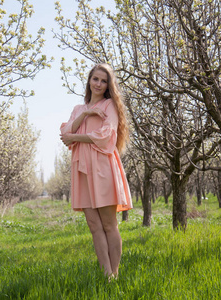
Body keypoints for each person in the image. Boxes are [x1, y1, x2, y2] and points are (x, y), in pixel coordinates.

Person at [60, 63, 132, 280]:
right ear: (89, 81)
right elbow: (65, 133)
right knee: (94, 225)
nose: (99, 84)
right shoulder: (77, 109)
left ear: (108, 85)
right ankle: (106, 275)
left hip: (102, 168)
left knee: (109, 224)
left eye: (103, 81)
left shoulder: (110, 105)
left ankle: (115, 274)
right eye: (95, 79)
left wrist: (76, 137)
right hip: (82, 170)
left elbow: (106, 136)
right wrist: (87, 114)